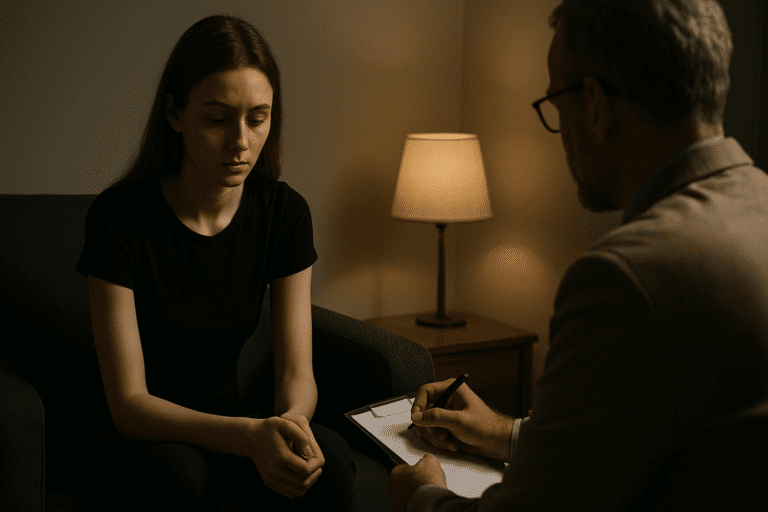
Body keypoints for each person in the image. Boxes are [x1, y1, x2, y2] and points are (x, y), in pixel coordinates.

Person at [388, 1, 768, 510]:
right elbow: (679, 435)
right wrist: (507, 433)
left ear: (594, 104)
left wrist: (421, 497)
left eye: (556, 101)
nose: (561, 129)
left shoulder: (625, 278)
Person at [68, 15, 356, 511]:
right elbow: (130, 405)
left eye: (257, 118)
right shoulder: (119, 219)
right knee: (180, 475)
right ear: (175, 114)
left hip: (236, 426)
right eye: (218, 119)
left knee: (325, 456)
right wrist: (246, 437)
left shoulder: (283, 212)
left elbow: (296, 372)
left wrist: (290, 425)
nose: (240, 141)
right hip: (138, 439)